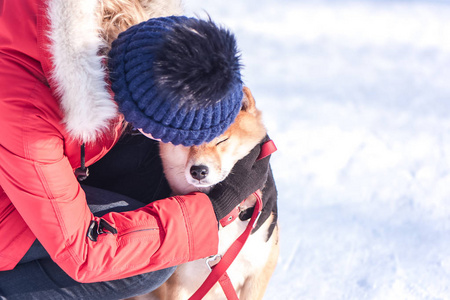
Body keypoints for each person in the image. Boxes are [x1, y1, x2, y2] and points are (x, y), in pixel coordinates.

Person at [0, 0, 273, 299]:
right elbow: (84, 250)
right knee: (142, 263)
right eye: (179, 134)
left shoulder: (132, 51)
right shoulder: (28, 115)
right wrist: (213, 210)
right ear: (137, 112)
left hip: (28, 175)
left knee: (151, 188)